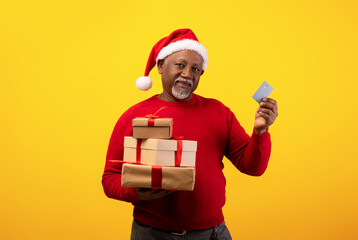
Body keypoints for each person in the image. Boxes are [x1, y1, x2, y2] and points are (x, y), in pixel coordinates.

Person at [102, 28, 278, 240]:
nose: (188, 74)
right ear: (160, 66)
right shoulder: (134, 116)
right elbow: (109, 179)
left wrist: (260, 131)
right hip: (151, 234)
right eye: (180, 65)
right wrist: (136, 192)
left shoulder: (218, 112)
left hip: (212, 233)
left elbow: (253, 168)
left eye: (196, 69)